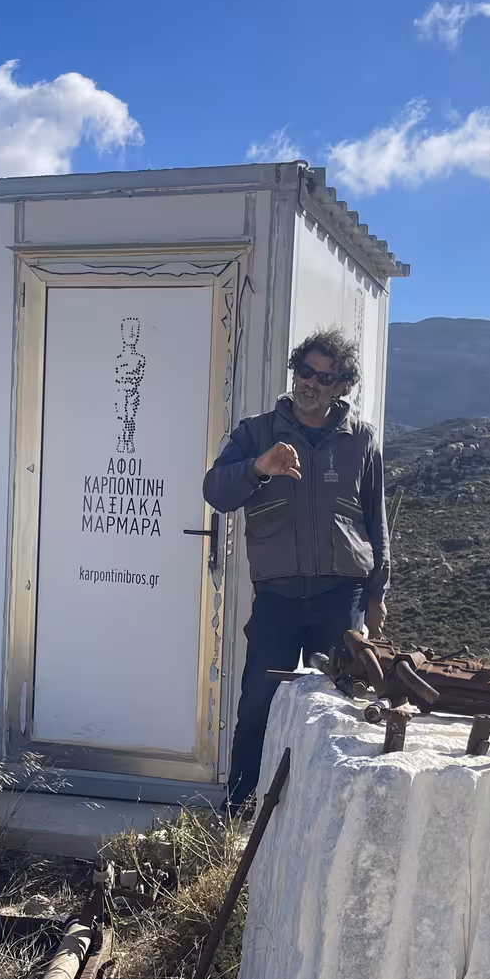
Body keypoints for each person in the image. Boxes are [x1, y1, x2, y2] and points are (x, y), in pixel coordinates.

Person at [204, 329, 388, 810]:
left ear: (342, 387)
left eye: (325, 378)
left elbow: (375, 520)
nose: (310, 383)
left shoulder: (361, 441)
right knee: (258, 706)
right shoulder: (256, 433)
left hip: (340, 596)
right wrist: (258, 467)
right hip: (278, 598)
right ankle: (238, 812)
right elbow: (216, 491)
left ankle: (324, 812)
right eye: (304, 371)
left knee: (338, 707)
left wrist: (377, 593)